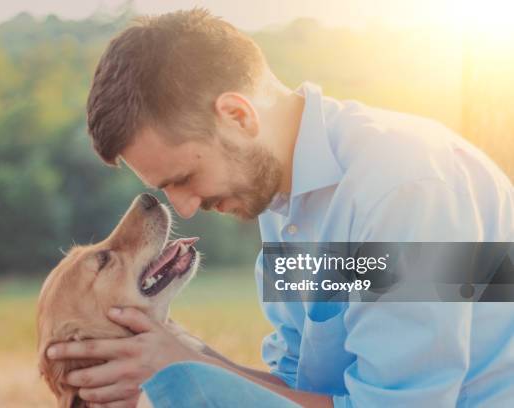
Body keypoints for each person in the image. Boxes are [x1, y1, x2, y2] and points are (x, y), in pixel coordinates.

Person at [46, 9, 514, 408]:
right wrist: (182, 353)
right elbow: (301, 388)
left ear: (238, 117)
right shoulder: (281, 201)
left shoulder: (404, 191)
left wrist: (186, 366)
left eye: (184, 179)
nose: (185, 210)